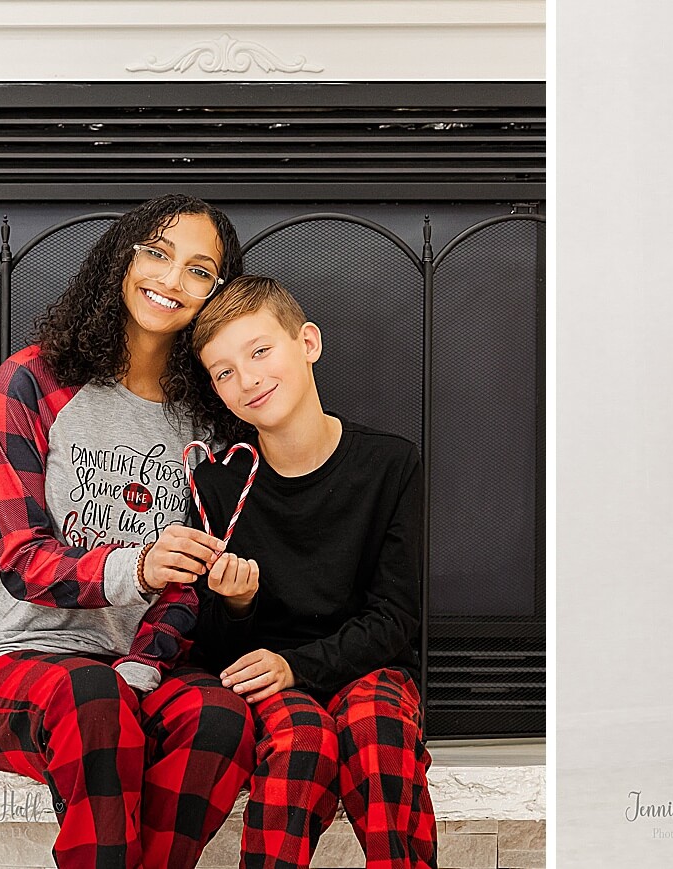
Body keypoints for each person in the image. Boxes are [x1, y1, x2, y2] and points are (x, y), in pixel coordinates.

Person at [0, 194, 256, 869]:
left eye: (200, 271)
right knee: (93, 695)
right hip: (15, 662)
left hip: (138, 670)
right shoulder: (31, 381)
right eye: (158, 253)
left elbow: (188, 579)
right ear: (123, 257)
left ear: (215, 296)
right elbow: (24, 559)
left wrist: (150, 656)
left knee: (223, 718)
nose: (172, 280)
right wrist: (138, 565)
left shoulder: (206, 423)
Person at [184, 275, 436, 869]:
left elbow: (395, 617)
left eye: (260, 352)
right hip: (269, 682)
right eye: (223, 372)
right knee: (301, 745)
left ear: (308, 344)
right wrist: (238, 606)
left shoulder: (389, 464)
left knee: (379, 735)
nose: (247, 379)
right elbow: (214, 650)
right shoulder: (218, 484)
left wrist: (299, 664)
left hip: (369, 667)